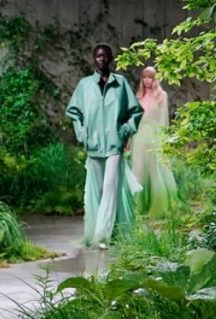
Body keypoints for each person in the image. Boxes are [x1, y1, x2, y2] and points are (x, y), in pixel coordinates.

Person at [66, 43, 141, 248]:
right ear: (94, 58)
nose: (102, 59)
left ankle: (102, 236)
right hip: (93, 146)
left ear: (111, 58)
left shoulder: (120, 84)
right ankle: (104, 232)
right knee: (96, 191)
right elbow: (74, 112)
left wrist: (125, 131)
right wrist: (83, 134)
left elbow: (135, 111)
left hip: (114, 145)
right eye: (98, 56)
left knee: (110, 189)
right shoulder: (85, 85)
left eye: (105, 55)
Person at [129, 66, 177, 217]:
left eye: (150, 77)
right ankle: (137, 206)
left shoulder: (162, 95)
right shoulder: (139, 96)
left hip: (154, 135)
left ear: (155, 79)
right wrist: (130, 138)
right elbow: (134, 119)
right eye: (144, 77)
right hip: (139, 135)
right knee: (138, 169)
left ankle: (158, 205)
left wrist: (161, 139)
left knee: (155, 169)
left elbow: (163, 120)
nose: (147, 80)